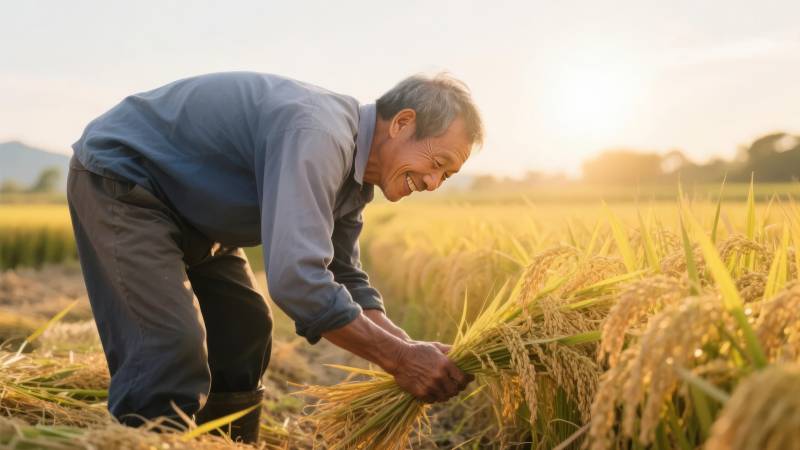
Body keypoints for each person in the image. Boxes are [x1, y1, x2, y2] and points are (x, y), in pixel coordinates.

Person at [67, 71, 484, 443]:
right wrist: (400, 360)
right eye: (437, 162)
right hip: (128, 182)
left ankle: (225, 443)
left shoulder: (354, 180)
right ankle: (147, 438)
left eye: (446, 176)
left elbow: (345, 276)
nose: (433, 182)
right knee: (169, 347)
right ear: (403, 123)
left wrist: (411, 347)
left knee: (244, 328)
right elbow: (297, 281)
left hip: (197, 214)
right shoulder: (319, 133)